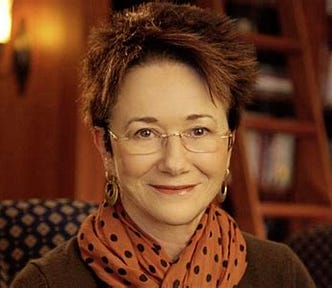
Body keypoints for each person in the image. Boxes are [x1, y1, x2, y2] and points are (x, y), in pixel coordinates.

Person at [11, 2, 315, 287]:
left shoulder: (281, 274)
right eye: (145, 133)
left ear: (230, 142)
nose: (174, 162)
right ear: (105, 145)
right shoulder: (47, 283)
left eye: (198, 131)